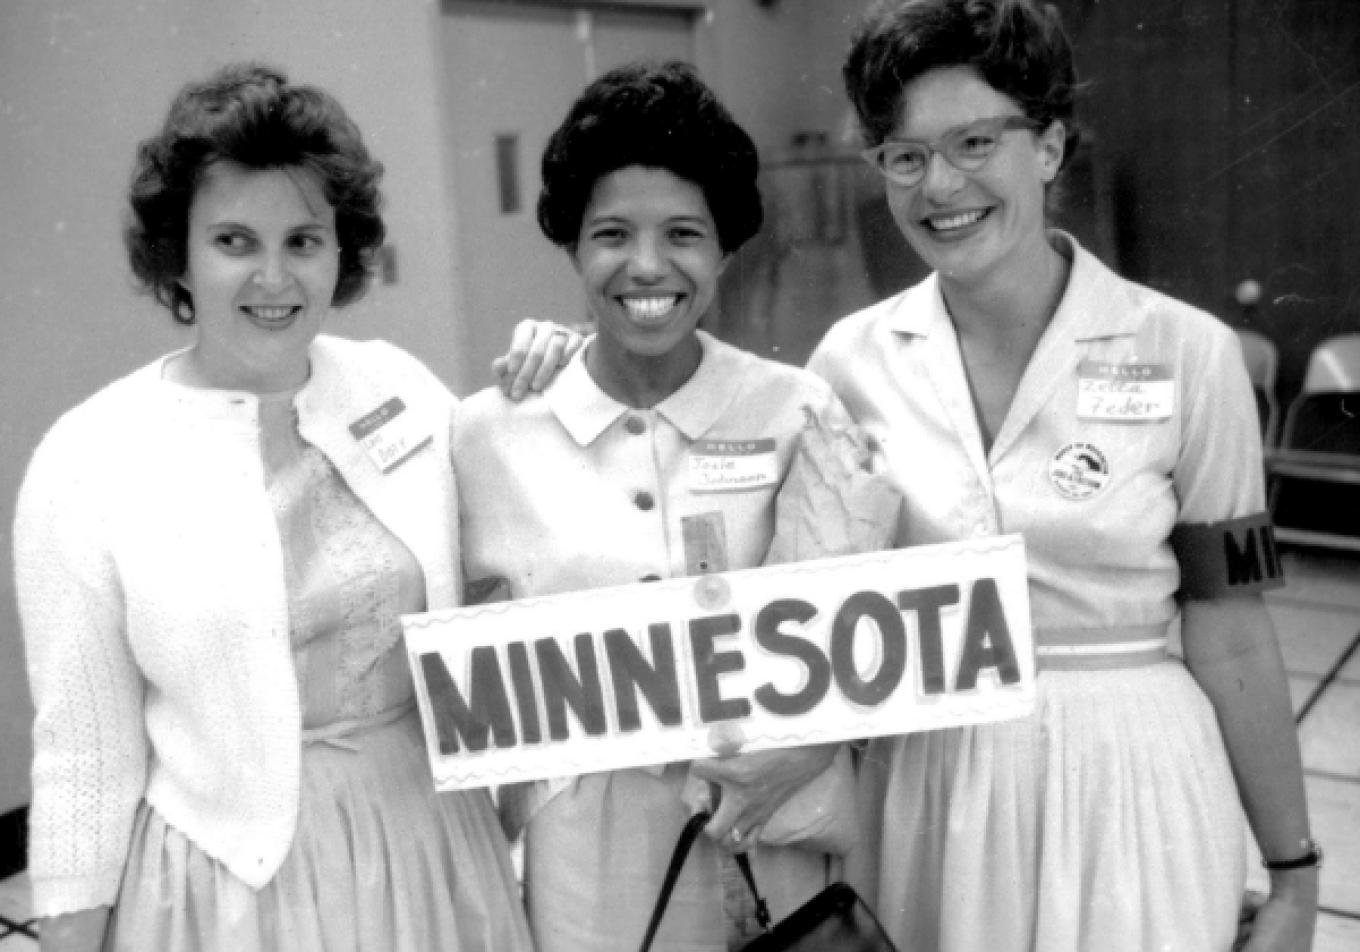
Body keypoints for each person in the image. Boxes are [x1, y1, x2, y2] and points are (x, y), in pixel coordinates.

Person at [14, 62, 574, 952]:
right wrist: (65, 941)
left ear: (341, 250)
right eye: (234, 241)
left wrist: (565, 389)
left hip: (428, 844)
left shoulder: (402, 389)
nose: (273, 277)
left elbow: (512, 580)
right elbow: (84, 749)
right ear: (179, 254)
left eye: (304, 241)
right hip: (228, 885)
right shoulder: (89, 460)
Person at [807, 1, 1318, 950]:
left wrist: (1293, 875)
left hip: (1130, 778)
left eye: (972, 142)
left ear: (1046, 147)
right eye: (904, 155)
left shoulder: (1187, 354)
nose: (939, 184)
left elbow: (1234, 628)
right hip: (931, 785)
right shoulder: (848, 363)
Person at [452, 61, 865, 952]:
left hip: (769, 831)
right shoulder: (486, 436)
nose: (647, 266)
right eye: (611, 234)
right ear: (571, 244)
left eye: (683, 233)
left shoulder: (797, 410)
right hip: (582, 861)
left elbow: (865, 636)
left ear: (726, 248)